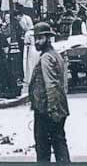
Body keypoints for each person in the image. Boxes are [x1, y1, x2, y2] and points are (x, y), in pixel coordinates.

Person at [28, 22, 70, 163]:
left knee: (43, 148)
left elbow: (50, 85)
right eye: (35, 39)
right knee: (59, 143)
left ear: (47, 38)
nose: (36, 42)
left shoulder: (46, 57)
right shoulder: (56, 54)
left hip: (46, 109)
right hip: (58, 107)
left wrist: (52, 109)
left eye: (40, 38)